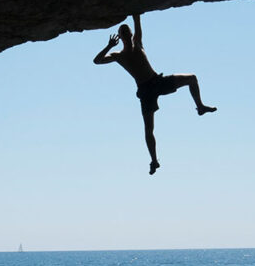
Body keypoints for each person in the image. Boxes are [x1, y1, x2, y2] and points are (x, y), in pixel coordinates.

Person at [93, 14, 217, 175]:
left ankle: (200, 107)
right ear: (121, 37)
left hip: (157, 81)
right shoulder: (119, 55)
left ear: (130, 33)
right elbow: (97, 61)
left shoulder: (138, 43)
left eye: (127, 30)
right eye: (123, 31)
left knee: (192, 78)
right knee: (148, 128)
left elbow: (137, 19)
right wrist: (108, 46)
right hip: (145, 91)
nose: (127, 32)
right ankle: (154, 160)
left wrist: (134, 11)